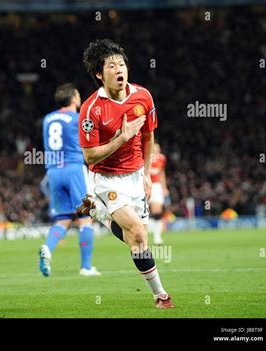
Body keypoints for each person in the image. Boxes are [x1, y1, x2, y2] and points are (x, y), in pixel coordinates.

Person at [76, 39, 174, 308]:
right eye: (111, 65)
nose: (119, 69)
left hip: (135, 177)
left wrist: (145, 173)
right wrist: (121, 138)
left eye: (121, 64)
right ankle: (161, 296)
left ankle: (98, 213)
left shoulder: (143, 96)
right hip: (106, 178)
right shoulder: (91, 109)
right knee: (140, 235)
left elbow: (148, 135)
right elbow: (90, 156)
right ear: (99, 74)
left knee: (135, 239)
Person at [38, 83, 101, 277]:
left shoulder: (48, 119)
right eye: (78, 95)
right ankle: (86, 267)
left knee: (63, 218)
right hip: (74, 169)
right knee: (85, 217)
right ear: (73, 98)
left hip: (53, 173)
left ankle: (48, 247)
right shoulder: (78, 118)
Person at [148, 142, 169, 245]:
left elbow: (162, 173)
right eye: (155, 147)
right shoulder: (146, 156)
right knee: (146, 211)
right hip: (146, 185)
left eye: (158, 147)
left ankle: (157, 237)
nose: (157, 149)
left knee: (157, 211)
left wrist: (164, 187)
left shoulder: (162, 158)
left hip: (157, 186)